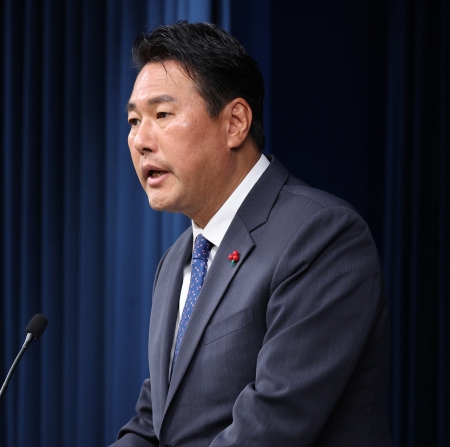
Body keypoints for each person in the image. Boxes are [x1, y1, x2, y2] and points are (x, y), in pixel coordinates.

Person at [111, 21, 391, 447]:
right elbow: (154, 425)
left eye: (162, 115)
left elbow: (270, 428)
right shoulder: (177, 260)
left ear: (235, 122)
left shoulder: (320, 235)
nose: (140, 140)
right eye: (134, 120)